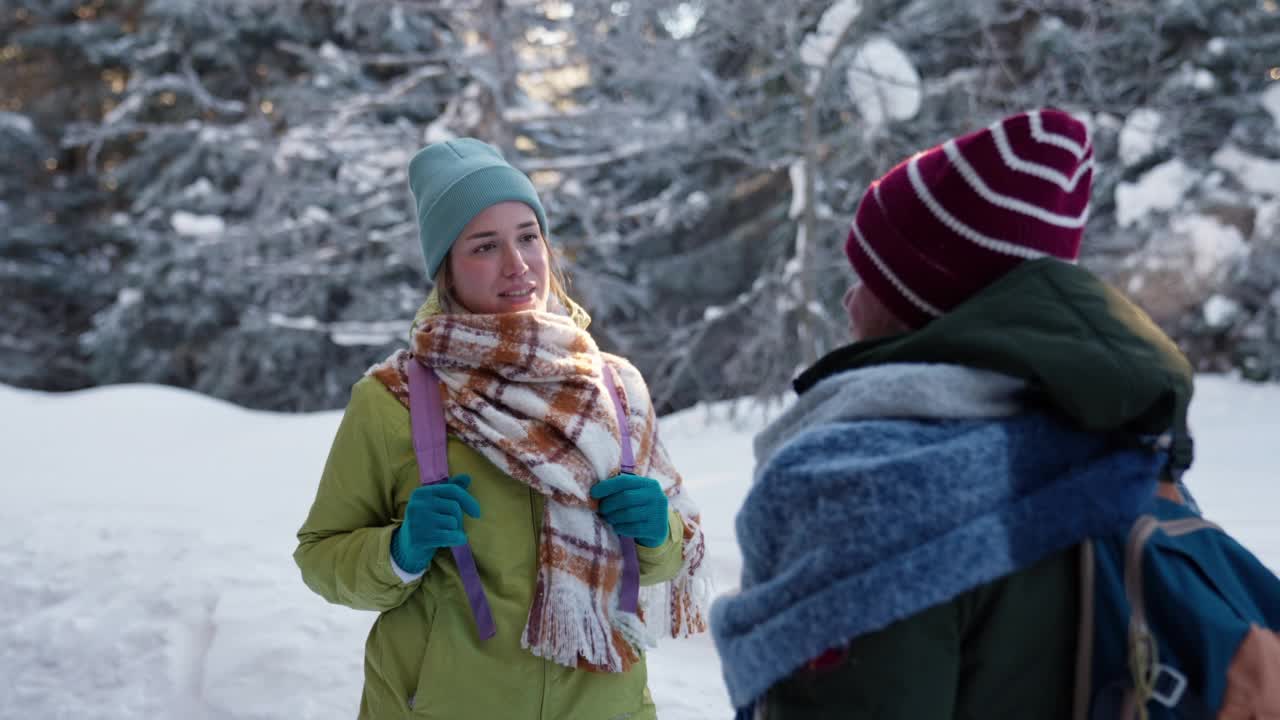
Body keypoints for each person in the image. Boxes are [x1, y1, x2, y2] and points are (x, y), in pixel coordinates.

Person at [711, 109, 1196, 719]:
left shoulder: (864, 487)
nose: (848, 297)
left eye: (869, 275)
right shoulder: (1124, 445)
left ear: (925, 300)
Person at [294, 137, 709, 719]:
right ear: (447, 269)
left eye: (528, 237)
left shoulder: (614, 388)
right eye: (485, 246)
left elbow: (675, 552)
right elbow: (321, 557)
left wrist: (657, 531)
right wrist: (399, 550)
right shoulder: (394, 400)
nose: (517, 265)